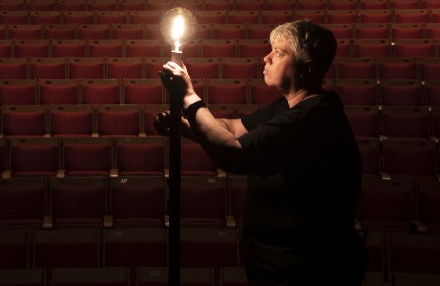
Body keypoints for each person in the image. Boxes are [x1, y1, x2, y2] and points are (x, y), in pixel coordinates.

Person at [157, 19, 366, 286]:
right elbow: (233, 129)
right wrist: (187, 127)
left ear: (307, 65)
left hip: (306, 269)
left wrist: (188, 97)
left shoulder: (313, 117)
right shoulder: (290, 107)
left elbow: (236, 154)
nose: (266, 57)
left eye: (278, 52)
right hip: (275, 262)